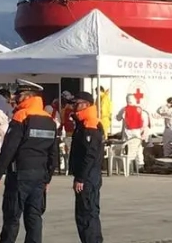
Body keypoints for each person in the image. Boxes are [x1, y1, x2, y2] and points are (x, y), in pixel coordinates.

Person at [0, 80, 58, 243]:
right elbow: (53, 153)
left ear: (28, 96)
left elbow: (9, 148)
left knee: (12, 217)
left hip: (20, 175)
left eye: (19, 94)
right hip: (40, 177)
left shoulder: (21, 116)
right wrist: (48, 178)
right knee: (34, 218)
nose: (15, 97)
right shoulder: (49, 120)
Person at [68, 91, 104, 243]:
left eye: (77, 104)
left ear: (86, 105)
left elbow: (89, 155)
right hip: (90, 175)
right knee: (89, 213)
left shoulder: (89, 124)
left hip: (88, 177)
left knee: (86, 215)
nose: (74, 107)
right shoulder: (85, 123)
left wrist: (81, 178)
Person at [116, 93, 147, 169]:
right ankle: (140, 164)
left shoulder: (124, 109)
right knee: (138, 147)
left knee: (126, 147)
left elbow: (118, 118)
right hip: (137, 132)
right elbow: (145, 121)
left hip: (127, 132)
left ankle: (127, 164)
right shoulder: (140, 109)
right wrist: (143, 130)